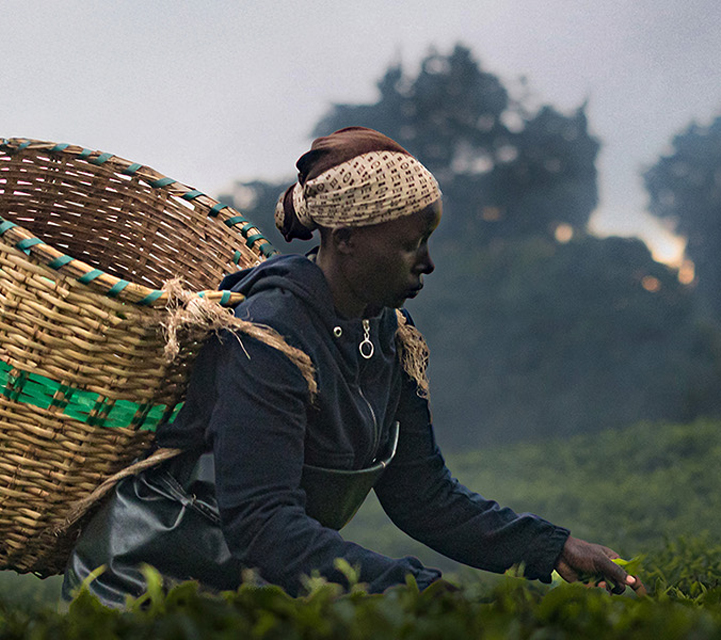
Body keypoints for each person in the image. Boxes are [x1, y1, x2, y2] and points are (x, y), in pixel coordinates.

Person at [62, 126, 643, 608]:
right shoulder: (268, 335)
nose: (429, 263)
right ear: (345, 239)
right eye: (412, 243)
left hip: (249, 586)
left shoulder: (391, 339)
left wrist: (553, 549)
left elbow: (422, 494)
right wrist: (416, 590)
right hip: (148, 589)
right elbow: (262, 521)